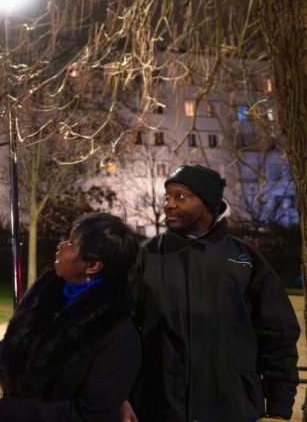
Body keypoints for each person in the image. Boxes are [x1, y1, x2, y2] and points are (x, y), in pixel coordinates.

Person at [122, 164, 300, 422]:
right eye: (167, 196)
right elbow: (118, 332)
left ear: (207, 203)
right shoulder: (145, 257)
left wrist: (279, 409)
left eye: (180, 196)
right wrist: (121, 396)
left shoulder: (246, 260)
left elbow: (278, 338)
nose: (169, 204)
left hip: (233, 410)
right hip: (158, 409)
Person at [0, 212, 140, 422]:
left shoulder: (117, 334)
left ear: (93, 265)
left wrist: (9, 410)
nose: (61, 246)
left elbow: (89, 415)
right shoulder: (52, 298)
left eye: (71, 243)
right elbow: (29, 346)